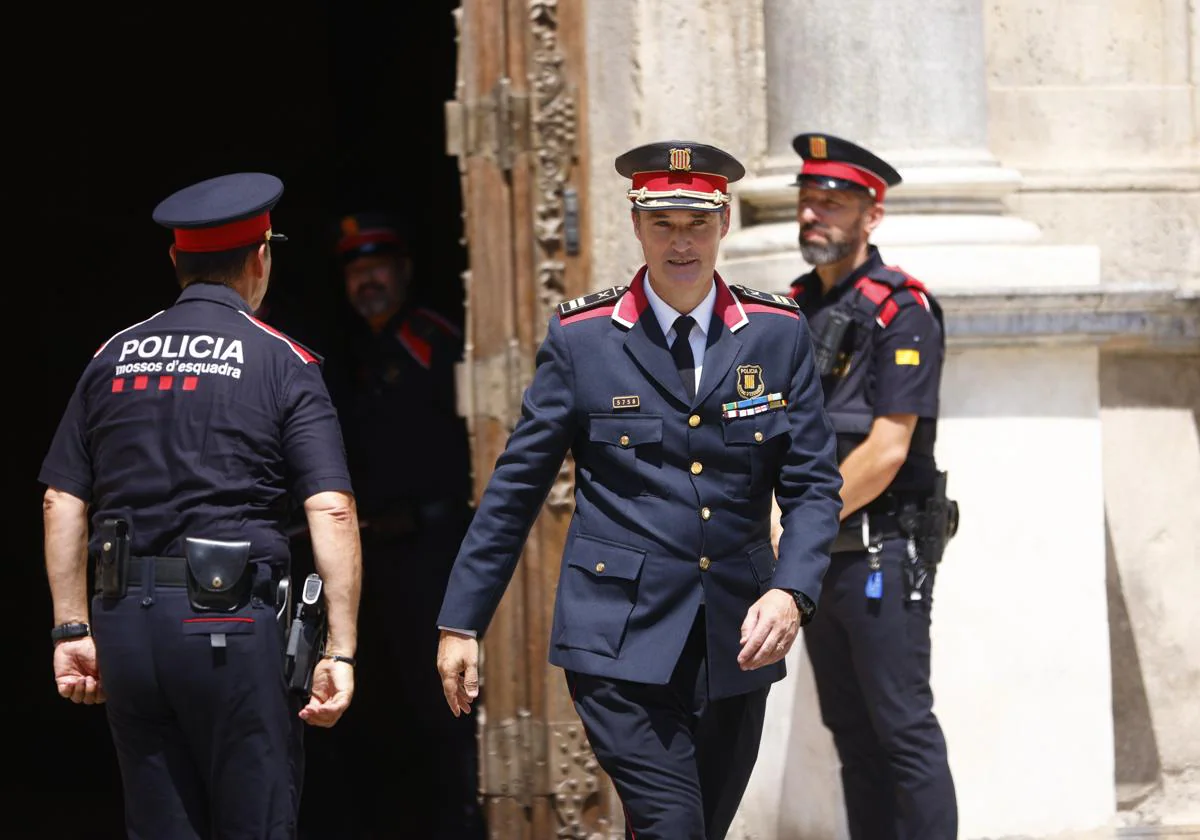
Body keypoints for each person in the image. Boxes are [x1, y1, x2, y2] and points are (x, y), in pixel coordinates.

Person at [435, 140, 845, 840]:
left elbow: (812, 484)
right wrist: (461, 620)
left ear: (722, 225)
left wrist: (792, 589)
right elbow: (515, 491)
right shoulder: (583, 340)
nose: (680, 243)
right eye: (663, 223)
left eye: (697, 223)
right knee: (672, 827)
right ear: (635, 223)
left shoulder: (776, 334)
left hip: (735, 638)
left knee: (696, 828)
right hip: (618, 638)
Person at [38, 172, 363, 840]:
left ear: (175, 261)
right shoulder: (283, 361)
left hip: (126, 629)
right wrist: (342, 649)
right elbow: (329, 508)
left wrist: (72, 630)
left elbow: (61, 499)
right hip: (231, 630)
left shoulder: (112, 356)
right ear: (259, 260)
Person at [780, 133, 959, 839]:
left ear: (871, 216)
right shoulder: (793, 306)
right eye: (807, 200)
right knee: (850, 735)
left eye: (834, 201)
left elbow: (887, 450)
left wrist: (796, 526)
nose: (813, 214)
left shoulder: (902, 309)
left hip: (883, 549)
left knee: (903, 729)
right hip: (820, 558)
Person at [298, 211, 485, 840]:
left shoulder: (432, 340)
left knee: (448, 706)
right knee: (387, 705)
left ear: (404, 270)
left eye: (377, 266)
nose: (367, 281)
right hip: (375, 553)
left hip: (434, 549)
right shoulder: (354, 352)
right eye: (355, 270)